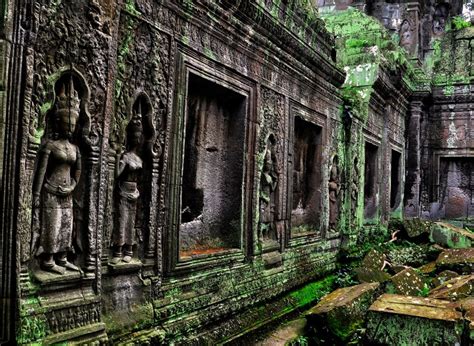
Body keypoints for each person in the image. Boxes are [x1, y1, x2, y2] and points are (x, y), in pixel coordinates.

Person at [32, 78, 82, 274]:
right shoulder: (50, 146)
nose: (70, 127)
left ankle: (62, 257)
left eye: (73, 124)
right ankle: (48, 260)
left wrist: (73, 185)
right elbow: (41, 171)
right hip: (51, 190)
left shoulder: (75, 148)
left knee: (66, 226)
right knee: (52, 227)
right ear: (58, 122)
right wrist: (36, 195)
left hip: (67, 191)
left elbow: (77, 170)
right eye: (67, 123)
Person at [110, 105, 143, 264]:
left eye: (139, 135)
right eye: (135, 135)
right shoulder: (126, 156)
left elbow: (141, 178)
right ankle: (118, 250)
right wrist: (117, 157)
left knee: (131, 221)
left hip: (134, 191)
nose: (137, 138)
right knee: (122, 220)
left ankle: (129, 249)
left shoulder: (139, 158)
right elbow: (116, 174)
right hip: (123, 191)